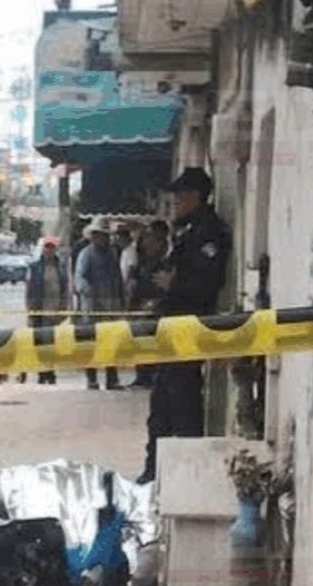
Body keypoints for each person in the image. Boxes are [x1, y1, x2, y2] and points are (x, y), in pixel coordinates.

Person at [138, 168, 231, 485]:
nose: (175, 203)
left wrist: (173, 284)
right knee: (161, 408)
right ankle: (154, 472)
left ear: (194, 196)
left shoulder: (208, 232)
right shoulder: (187, 230)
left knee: (184, 406)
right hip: (172, 327)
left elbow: (206, 284)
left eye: (179, 197)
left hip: (189, 330)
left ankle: (191, 477)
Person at [75, 221, 123, 390]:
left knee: (111, 343)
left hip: (110, 306)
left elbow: (117, 278)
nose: (105, 239)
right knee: (91, 344)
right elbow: (79, 278)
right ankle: (92, 379)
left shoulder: (112, 254)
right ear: (94, 237)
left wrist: (120, 300)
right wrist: (87, 290)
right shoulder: (86, 254)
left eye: (106, 236)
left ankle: (112, 378)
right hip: (92, 308)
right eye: (102, 236)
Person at [129, 220, 172, 388]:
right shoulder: (143, 262)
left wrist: (155, 303)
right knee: (139, 342)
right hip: (140, 305)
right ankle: (141, 375)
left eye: (152, 239)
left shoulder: (165, 263)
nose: (147, 242)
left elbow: (164, 286)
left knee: (152, 342)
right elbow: (136, 283)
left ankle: (151, 375)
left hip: (155, 308)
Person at [25, 235, 69, 385]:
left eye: (52, 247)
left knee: (52, 343)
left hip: (54, 310)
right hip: (39, 310)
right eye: (47, 247)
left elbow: (65, 289)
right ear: (43, 249)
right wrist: (30, 310)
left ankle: (50, 372)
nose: (49, 250)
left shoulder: (61, 267)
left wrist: (64, 308)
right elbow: (29, 290)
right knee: (40, 342)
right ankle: (42, 372)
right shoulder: (34, 267)